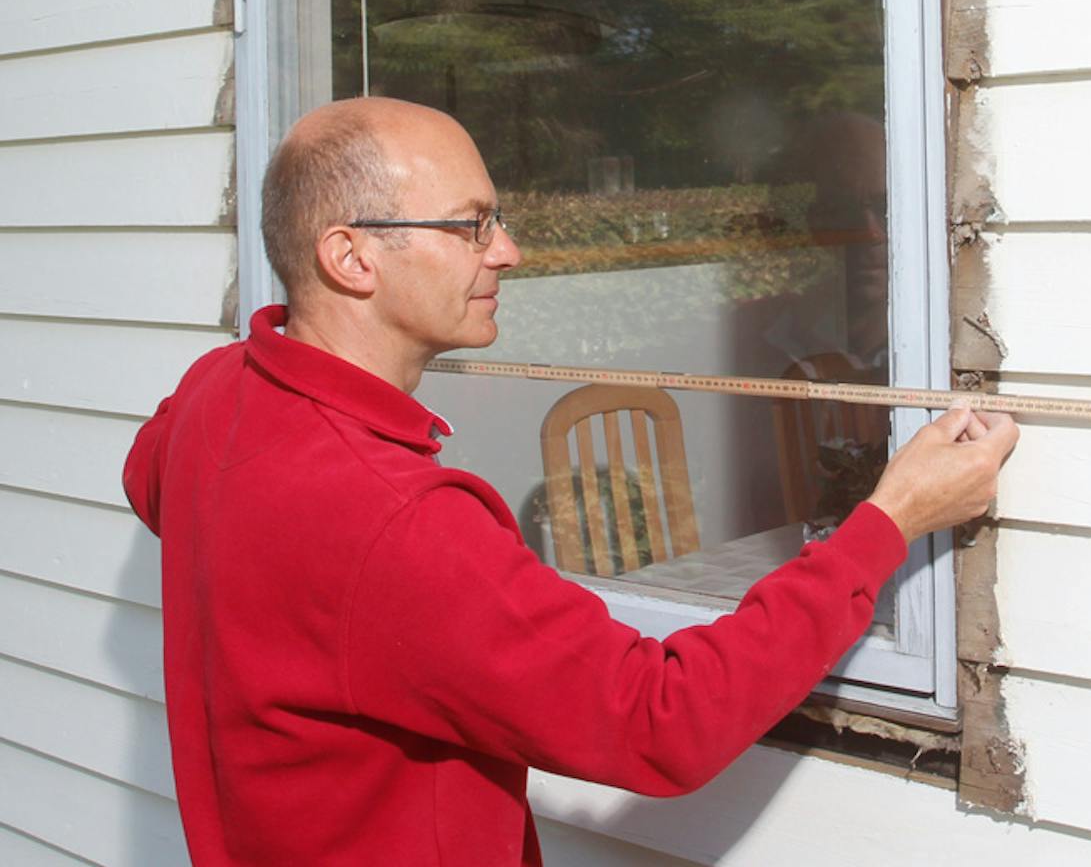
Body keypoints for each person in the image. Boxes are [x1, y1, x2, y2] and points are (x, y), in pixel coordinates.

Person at [122, 97, 1019, 866]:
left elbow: (149, 480)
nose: (507, 250)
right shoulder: (397, 521)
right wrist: (891, 519)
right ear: (352, 258)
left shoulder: (218, 394)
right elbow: (661, 721)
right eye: (472, 224)